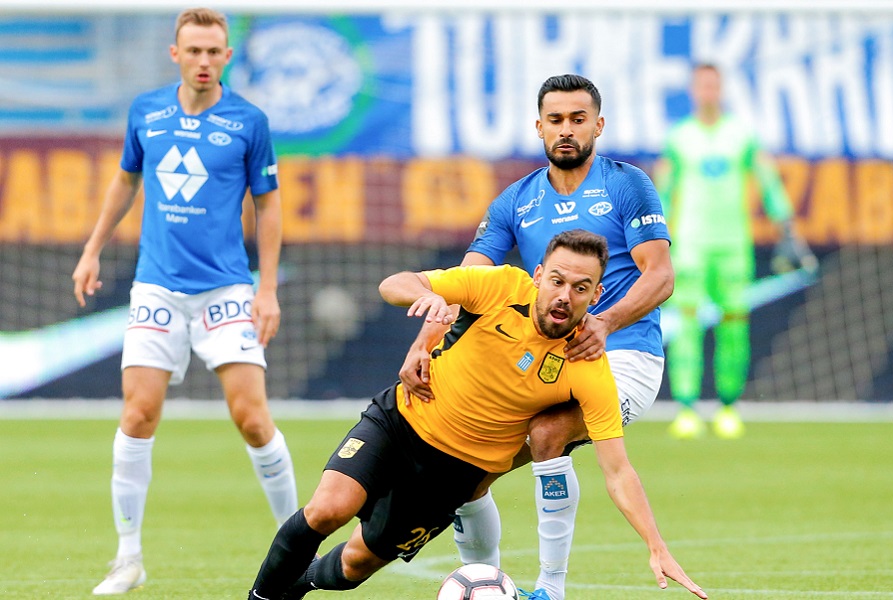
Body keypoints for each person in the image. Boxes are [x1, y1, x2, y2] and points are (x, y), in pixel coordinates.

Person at [247, 230, 707, 600]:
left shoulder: (588, 367)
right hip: (401, 420)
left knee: (354, 565)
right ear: (539, 275)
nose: (565, 295)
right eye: (557, 281)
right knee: (328, 509)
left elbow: (618, 471)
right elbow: (394, 283)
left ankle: (300, 583)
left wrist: (656, 545)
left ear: (597, 294)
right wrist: (425, 296)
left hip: (453, 476)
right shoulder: (500, 286)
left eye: (580, 288)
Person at [397, 73, 674, 600]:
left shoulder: (626, 184)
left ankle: (551, 589)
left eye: (577, 119)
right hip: (546, 360)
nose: (566, 129)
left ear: (598, 125)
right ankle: (486, 585)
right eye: (556, 120)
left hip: (625, 355)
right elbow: (462, 284)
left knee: (548, 432)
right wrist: (422, 345)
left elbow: (659, 275)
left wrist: (605, 323)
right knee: (465, 471)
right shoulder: (516, 201)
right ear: (539, 127)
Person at [71, 8, 298, 595]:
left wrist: (266, 288)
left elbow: (268, 203)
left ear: (227, 57)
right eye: (193, 50)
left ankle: (296, 548)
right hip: (156, 287)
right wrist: (92, 250)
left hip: (226, 289)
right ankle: (128, 559)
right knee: (137, 414)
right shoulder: (146, 111)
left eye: (213, 51)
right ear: (175, 54)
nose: (203, 61)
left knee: (253, 419)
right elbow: (126, 179)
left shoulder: (248, 122)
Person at [654, 63, 816, 440]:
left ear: (721, 89)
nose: (708, 92)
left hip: (732, 245)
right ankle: (687, 408)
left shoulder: (742, 135)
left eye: (713, 85)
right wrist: (654, 235)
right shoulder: (679, 138)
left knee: (733, 327)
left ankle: (728, 406)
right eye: (702, 86)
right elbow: (663, 190)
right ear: (693, 90)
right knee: (688, 325)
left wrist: (785, 224)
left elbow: (767, 179)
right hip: (691, 245)